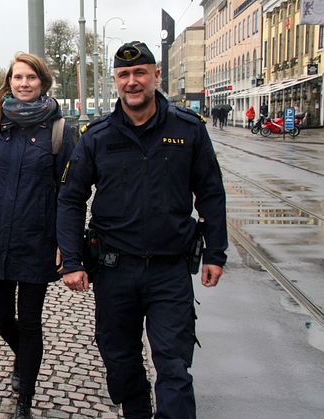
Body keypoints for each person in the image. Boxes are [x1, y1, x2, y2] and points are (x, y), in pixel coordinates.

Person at [57, 41, 227, 419]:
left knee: (173, 365)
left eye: (140, 73)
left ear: (156, 76)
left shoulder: (188, 130)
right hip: (114, 270)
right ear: (115, 80)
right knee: (121, 361)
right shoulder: (96, 135)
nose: (132, 82)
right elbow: (70, 199)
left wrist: (216, 252)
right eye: (124, 75)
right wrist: (71, 260)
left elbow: (211, 193)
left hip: (170, 271)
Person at [0, 52, 75, 419]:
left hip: (36, 239)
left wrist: (64, 242)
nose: (23, 83)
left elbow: (69, 192)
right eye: (17, 77)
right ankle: (25, 357)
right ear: (8, 82)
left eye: (31, 78)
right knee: (0, 318)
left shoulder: (59, 130)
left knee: (29, 321)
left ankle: (24, 394)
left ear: (43, 82)